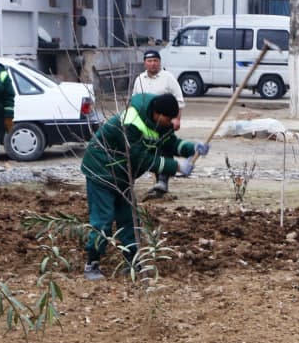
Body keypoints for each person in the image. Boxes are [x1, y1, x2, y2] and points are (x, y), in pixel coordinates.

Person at [79, 92, 209, 280]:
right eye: (168, 118)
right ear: (157, 113)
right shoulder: (131, 123)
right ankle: (92, 264)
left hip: (123, 175)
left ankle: (132, 264)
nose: (170, 122)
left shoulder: (159, 123)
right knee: (103, 220)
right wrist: (177, 166)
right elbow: (141, 159)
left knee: (130, 220)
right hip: (101, 170)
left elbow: (169, 143)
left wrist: (193, 148)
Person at [131, 49, 185, 197]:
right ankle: (130, 182)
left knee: (165, 150)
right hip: (145, 123)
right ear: (144, 63)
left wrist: (177, 119)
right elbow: (134, 101)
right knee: (146, 151)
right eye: (149, 61)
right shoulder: (139, 79)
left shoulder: (168, 78)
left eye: (155, 60)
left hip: (164, 122)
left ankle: (162, 182)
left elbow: (179, 101)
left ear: (160, 62)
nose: (153, 64)